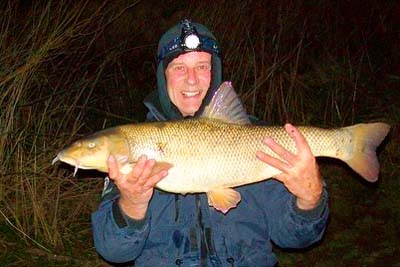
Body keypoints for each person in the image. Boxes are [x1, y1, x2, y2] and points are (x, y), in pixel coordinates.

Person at [91, 19, 329, 267]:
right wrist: (132, 202)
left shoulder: (264, 142)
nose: (191, 80)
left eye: (202, 66)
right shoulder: (135, 150)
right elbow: (113, 251)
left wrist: (311, 199)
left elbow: (295, 238)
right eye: (179, 68)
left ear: (214, 73)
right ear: (163, 76)